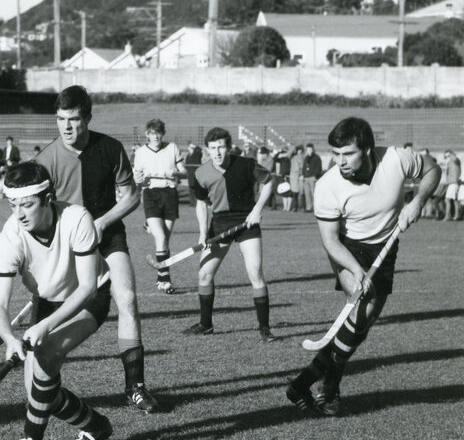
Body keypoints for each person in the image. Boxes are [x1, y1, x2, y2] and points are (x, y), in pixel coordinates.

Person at [286, 117, 440, 416]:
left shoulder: (396, 159)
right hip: (348, 248)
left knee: (360, 325)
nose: (340, 161)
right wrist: (356, 271)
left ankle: (301, 384)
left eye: (348, 154)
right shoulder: (328, 186)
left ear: (368, 150)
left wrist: (418, 201)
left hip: (386, 245)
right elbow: (330, 240)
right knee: (359, 312)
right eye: (336, 154)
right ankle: (329, 389)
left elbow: (432, 168)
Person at [35, 86, 159, 412]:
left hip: (107, 235)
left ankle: (135, 387)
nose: (66, 127)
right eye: (61, 119)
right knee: (58, 318)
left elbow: (131, 197)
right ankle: (47, 390)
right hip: (69, 246)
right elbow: (40, 215)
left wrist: (102, 222)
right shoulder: (45, 160)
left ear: (87, 118)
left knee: (127, 299)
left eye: (74, 119)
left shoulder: (110, 148)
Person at [0, 161, 114, 440]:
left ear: (47, 199)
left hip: (89, 298)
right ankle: (96, 425)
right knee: (39, 391)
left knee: (47, 355)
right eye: (13, 205)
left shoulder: (76, 218)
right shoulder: (11, 235)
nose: (19, 214)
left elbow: (87, 287)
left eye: (27, 205)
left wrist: (46, 326)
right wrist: (10, 338)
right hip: (45, 302)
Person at [188, 127, 278, 341]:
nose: (217, 152)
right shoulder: (201, 173)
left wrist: (257, 210)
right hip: (220, 224)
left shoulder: (246, 164)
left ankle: (265, 329)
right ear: (207, 149)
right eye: (212, 148)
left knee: (255, 273)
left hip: (247, 223)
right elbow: (201, 204)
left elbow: (269, 181)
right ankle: (206, 325)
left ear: (228, 147)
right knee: (204, 274)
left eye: (221, 147)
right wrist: (202, 234)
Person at [133, 118, 187, 293]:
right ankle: (165, 281)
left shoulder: (172, 148)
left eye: (158, 133)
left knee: (164, 242)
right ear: (147, 135)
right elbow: (136, 178)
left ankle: (160, 278)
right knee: (161, 239)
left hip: (170, 194)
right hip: (151, 194)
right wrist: (139, 180)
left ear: (163, 134)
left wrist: (176, 173)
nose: (155, 137)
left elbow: (184, 172)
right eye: (152, 133)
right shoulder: (141, 152)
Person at [301, 143, 323, 212]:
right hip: (306, 178)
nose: (309, 151)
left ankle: (316, 207)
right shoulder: (306, 158)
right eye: (308, 149)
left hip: (313, 178)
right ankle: (309, 207)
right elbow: (304, 167)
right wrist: (303, 174)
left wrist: (315, 175)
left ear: (313, 149)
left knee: (314, 193)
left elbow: (319, 168)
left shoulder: (316, 157)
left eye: (310, 149)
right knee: (307, 194)